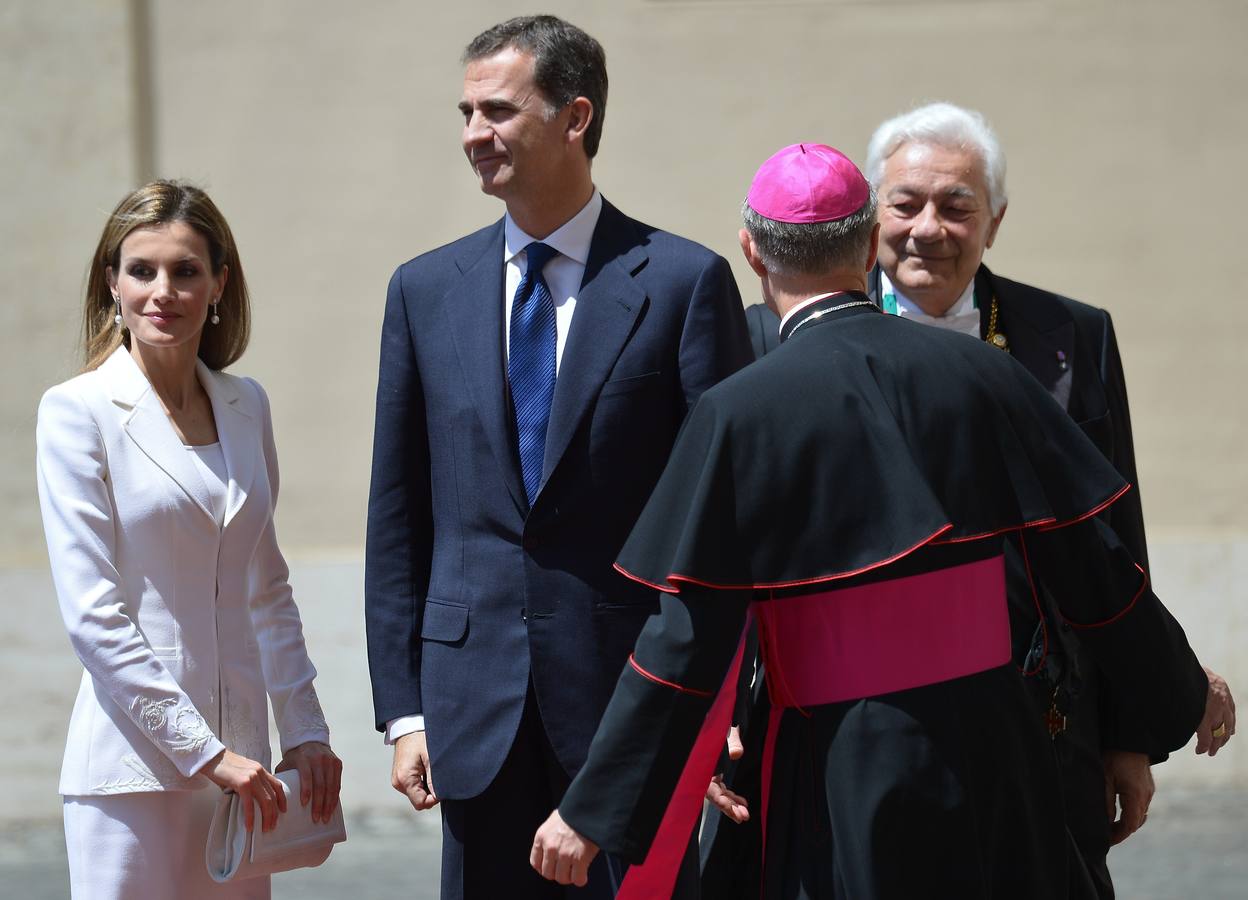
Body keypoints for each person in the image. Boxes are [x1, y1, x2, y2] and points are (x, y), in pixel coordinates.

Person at [530, 143, 1209, 899]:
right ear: (869, 243)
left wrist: (592, 810)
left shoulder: (740, 408)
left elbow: (684, 641)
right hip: (997, 747)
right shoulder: (984, 372)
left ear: (752, 252)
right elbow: (1095, 571)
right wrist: (1184, 689)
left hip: (838, 758)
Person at [733, 103, 1235, 897]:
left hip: (1040, 713)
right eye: (906, 204)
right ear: (870, 223)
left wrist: (1131, 733)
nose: (928, 229)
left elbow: (1110, 538)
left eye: (957, 207)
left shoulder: (1067, 336)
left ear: (994, 222)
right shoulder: (765, 341)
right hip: (843, 719)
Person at [364, 14, 752, 900]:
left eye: (498, 111)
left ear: (576, 117)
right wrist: (406, 710)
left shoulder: (682, 282)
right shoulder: (424, 291)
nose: (474, 133)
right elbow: (398, 512)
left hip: (628, 708)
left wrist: (710, 704)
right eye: (465, 113)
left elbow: (720, 523)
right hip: (473, 712)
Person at [35, 181, 342, 900]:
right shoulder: (76, 411)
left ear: (219, 285)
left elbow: (267, 589)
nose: (162, 291)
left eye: (186, 271)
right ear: (111, 283)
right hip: (131, 773)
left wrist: (305, 730)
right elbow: (94, 616)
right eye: (141, 270)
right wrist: (204, 752)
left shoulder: (246, 405)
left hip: (244, 778)